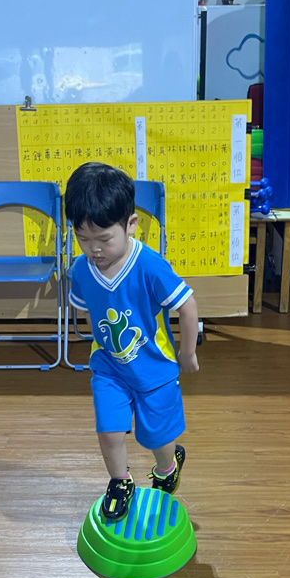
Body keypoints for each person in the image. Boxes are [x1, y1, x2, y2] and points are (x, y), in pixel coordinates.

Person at [65, 162, 199, 522]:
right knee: (109, 432)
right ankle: (120, 481)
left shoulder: (150, 267)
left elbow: (187, 306)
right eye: (83, 238)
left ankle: (167, 466)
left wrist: (187, 353)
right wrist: (100, 343)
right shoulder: (80, 269)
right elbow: (88, 309)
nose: (94, 249)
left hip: (154, 369)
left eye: (104, 238)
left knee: (155, 437)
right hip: (109, 368)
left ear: (131, 224)